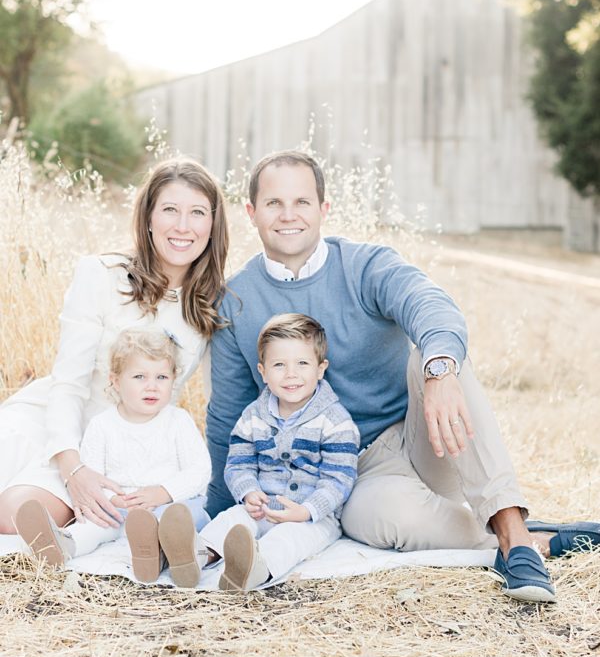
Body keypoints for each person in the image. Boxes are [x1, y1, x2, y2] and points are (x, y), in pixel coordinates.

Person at [206, 149, 600, 604]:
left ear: (323, 210)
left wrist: (438, 372)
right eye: (274, 203)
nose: (289, 215)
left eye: (302, 202)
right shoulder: (235, 300)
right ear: (251, 212)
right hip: (348, 473)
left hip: (424, 438)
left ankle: (513, 534)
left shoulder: (365, 265)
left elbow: (429, 304)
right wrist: (219, 512)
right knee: (383, 520)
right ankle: (542, 539)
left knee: (436, 356)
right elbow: (229, 417)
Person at [0, 157, 228, 537]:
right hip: (57, 427)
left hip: (132, 446)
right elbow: (68, 383)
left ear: (213, 224)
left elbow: (218, 403)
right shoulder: (101, 275)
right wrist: (73, 469)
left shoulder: (211, 302)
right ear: (149, 218)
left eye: (198, 213)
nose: (183, 226)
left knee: (20, 517)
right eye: (170, 209)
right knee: (15, 511)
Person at [15, 329, 211, 586]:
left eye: (161, 377)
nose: (152, 385)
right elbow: (93, 476)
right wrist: (113, 499)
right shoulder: (102, 426)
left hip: (170, 504)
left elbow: (199, 470)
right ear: (116, 381)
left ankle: (160, 553)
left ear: (173, 380)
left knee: (182, 519)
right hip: (121, 507)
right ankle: (62, 544)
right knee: (95, 525)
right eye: (139, 376)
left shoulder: (178, 421)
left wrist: (163, 492)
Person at [198, 313, 359, 591]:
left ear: (321, 369)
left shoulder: (335, 421)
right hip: (261, 508)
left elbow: (339, 479)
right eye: (279, 365)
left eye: (302, 364)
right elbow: (239, 463)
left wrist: (307, 510)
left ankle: (254, 569)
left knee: (287, 540)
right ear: (263, 371)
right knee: (230, 521)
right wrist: (248, 492)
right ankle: (194, 558)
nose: (291, 374)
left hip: (312, 517)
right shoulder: (253, 416)